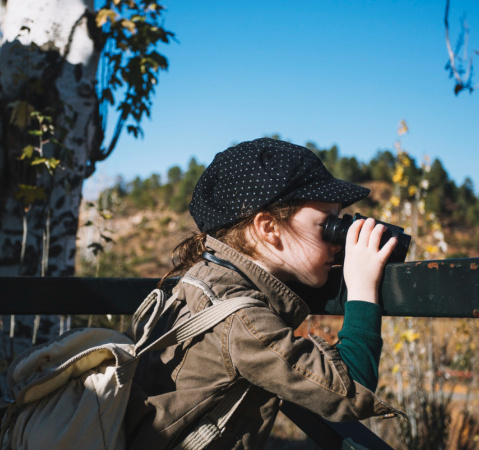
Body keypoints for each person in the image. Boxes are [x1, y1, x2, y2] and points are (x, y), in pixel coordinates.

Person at [125, 138, 403, 449]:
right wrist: (362, 288)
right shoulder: (243, 320)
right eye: (327, 225)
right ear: (269, 227)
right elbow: (350, 390)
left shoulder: (199, 279)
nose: (338, 241)